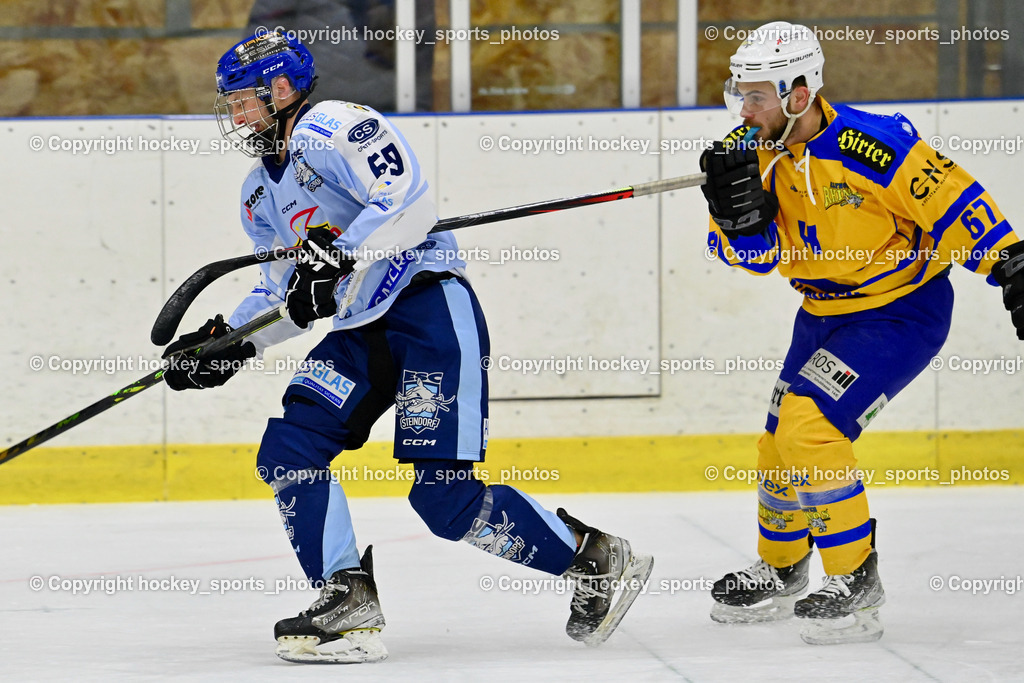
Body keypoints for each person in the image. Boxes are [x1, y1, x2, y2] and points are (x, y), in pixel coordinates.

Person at [159, 30, 652, 664]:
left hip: (425, 307)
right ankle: (346, 595)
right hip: (359, 332)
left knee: (443, 499)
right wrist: (230, 344)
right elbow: (286, 293)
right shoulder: (258, 193)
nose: (237, 115)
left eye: (244, 100)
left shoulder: (338, 128)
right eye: (231, 104)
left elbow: (407, 204)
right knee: (289, 449)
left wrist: (338, 257)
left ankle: (594, 558)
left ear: (280, 90)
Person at [699, 21, 1022, 645]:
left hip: (899, 313)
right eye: (739, 94)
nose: (744, 110)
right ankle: (782, 568)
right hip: (820, 314)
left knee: (810, 429)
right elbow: (756, 259)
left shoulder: (873, 145)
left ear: (798, 94)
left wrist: (1010, 263)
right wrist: (734, 218)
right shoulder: (750, 153)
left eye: (756, 96)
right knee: (778, 442)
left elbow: (952, 201)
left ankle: (855, 580)